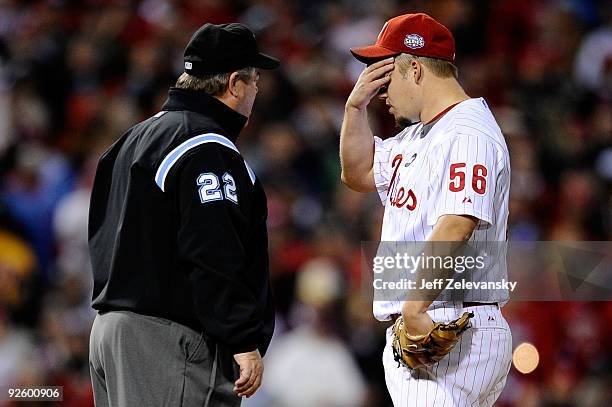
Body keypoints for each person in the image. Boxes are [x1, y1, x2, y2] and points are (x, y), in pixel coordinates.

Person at [88, 22, 278, 407]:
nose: (256, 91)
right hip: (168, 341)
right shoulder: (207, 147)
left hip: (110, 333)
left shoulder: (132, 138)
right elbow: (212, 247)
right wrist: (241, 336)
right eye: (255, 80)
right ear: (234, 84)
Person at [340, 13, 512, 406]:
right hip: (440, 321)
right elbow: (358, 171)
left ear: (414, 69)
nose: (382, 90)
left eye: (386, 74)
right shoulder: (420, 135)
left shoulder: (468, 132)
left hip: (447, 320)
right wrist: (354, 109)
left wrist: (415, 308)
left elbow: (456, 225)